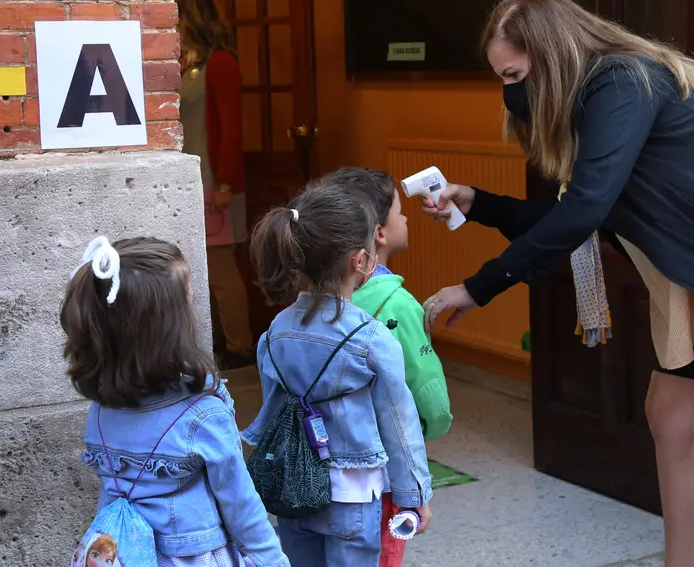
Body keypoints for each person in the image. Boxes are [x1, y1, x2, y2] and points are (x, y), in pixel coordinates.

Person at [419, 1, 694, 566]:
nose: (511, 95)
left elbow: (585, 210)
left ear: (552, 56)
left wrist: (478, 287)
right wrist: (479, 203)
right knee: (672, 414)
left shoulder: (624, 82)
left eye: (515, 77)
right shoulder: (598, 98)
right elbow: (582, 213)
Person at [60, 236, 288, 567]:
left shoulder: (102, 407)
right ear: (168, 328)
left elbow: (114, 494)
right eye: (188, 302)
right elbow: (242, 507)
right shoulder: (202, 414)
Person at [244, 172, 433, 567]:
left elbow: (276, 413)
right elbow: (399, 425)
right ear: (361, 260)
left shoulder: (274, 333)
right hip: (353, 495)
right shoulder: (373, 340)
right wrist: (413, 497)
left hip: (293, 487)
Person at [346, 167, 452, 567]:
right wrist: (432, 427)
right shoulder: (400, 305)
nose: (407, 218)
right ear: (379, 233)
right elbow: (429, 393)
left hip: (329, 473)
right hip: (386, 476)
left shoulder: (308, 305)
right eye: (399, 212)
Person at [177, 0, 255, 370]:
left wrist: (225, 183)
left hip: (214, 182)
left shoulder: (221, 63)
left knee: (221, 270)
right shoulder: (189, 66)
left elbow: (230, 129)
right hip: (193, 181)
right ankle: (220, 342)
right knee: (202, 269)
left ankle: (240, 347)